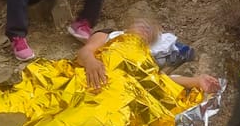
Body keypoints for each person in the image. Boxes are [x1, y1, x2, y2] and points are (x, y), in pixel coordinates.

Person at [76, 18, 221, 94]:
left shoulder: (144, 56)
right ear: (128, 27)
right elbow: (84, 52)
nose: (145, 29)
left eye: (149, 31)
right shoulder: (110, 35)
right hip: (91, 82)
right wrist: (90, 61)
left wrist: (196, 81)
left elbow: (158, 80)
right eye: (142, 25)